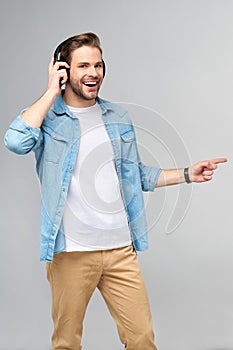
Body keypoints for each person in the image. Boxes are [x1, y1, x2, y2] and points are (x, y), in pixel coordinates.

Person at [4, 32, 227, 350]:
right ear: (63, 70)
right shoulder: (48, 120)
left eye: (98, 65)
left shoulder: (117, 118)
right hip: (71, 253)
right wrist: (52, 91)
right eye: (83, 65)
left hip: (121, 249)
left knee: (142, 339)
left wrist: (188, 174)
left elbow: (135, 175)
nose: (93, 73)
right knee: (66, 343)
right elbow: (15, 141)